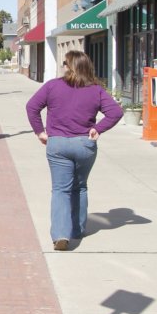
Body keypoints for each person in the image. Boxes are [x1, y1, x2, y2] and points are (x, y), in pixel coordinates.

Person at [25, 50, 122, 251]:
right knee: (80, 186)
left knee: (61, 189)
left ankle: (61, 234)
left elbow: (32, 107)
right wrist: (98, 129)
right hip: (84, 144)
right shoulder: (96, 90)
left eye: (65, 63)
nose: (63, 67)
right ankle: (77, 229)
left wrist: (40, 132)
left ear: (69, 66)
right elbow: (115, 112)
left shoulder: (53, 86)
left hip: (58, 144)